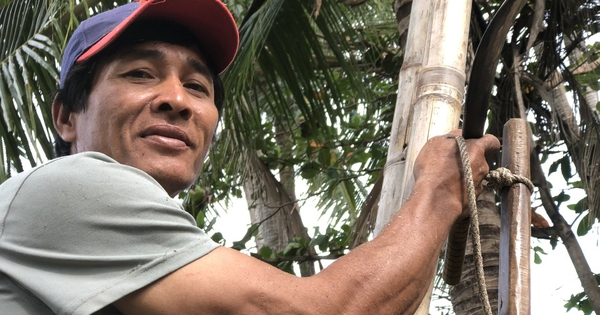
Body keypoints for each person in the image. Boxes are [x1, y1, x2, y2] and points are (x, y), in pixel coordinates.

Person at [0, 0, 500, 314]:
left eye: (197, 86)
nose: (177, 99)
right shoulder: (68, 188)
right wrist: (439, 191)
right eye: (139, 74)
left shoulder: (151, 270)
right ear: (66, 117)